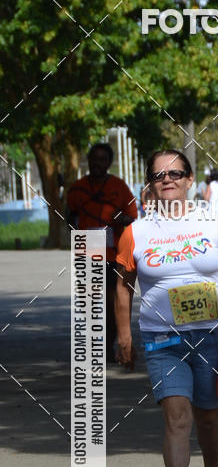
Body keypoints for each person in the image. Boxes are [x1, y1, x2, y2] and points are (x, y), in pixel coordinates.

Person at [114, 149, 218, 467]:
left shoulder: (212, 220)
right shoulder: (135, 231)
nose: (167, 179)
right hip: (161, 338)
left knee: (208, 414)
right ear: (151, 184)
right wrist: (124, 335)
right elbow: (123, 289)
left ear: (190, 180)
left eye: (176, 173)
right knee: (177, 416)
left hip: (209, 334)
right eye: (159, 175)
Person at [67, 142, 138, 362]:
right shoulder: (77, 188)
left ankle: (108, 346)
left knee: (111, 302)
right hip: (86, 251)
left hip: (113, 253)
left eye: (102, 159)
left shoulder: (119, 186)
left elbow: (132, 217)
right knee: (89, 303)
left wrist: (120, 219)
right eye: (94, 158)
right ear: (88, 161)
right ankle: (92, 345)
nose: (98, 163)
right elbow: (68, 217)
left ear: (108, 162)